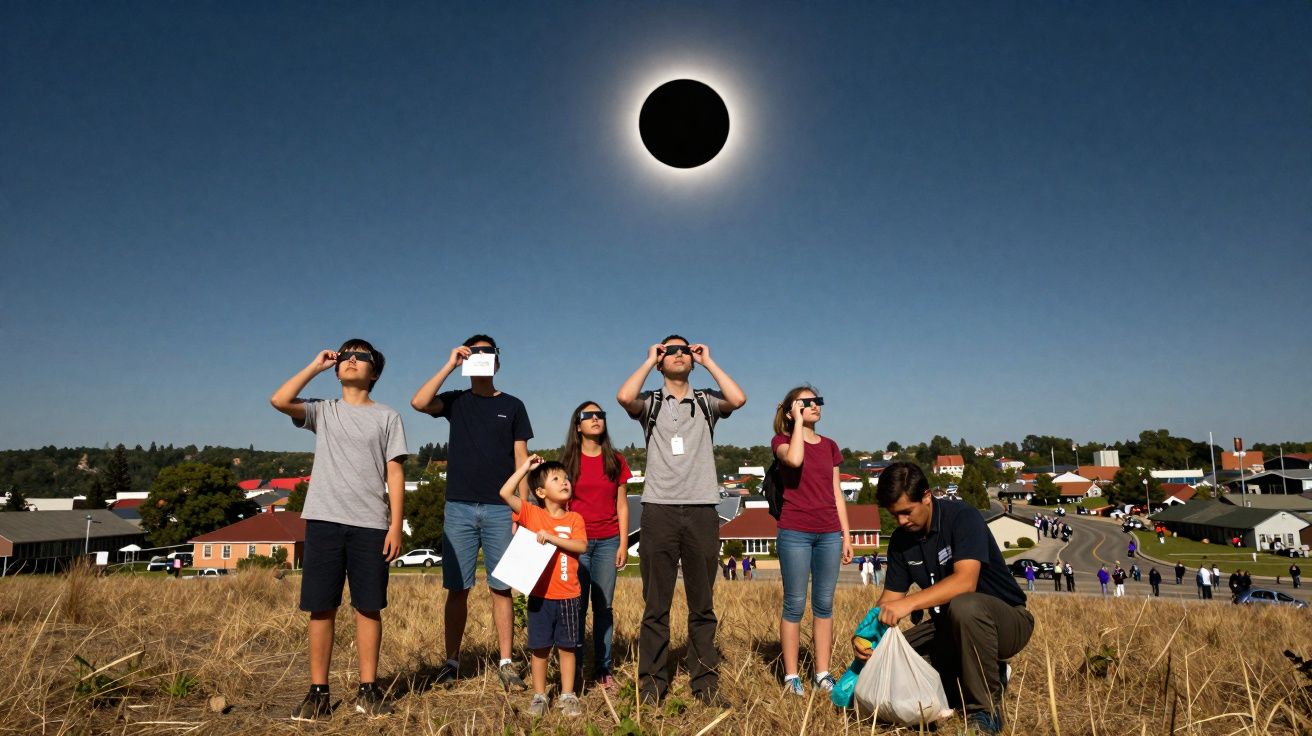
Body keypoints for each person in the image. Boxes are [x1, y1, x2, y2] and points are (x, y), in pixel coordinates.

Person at [270, 339, 409, 720]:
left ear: (374, 372)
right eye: (346, 355)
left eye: (361, 356)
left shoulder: (387, 417)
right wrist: (314, 366)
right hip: (324, 520)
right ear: (336, 369)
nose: (351, 360)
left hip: (370, 525)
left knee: (369, 607)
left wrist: (395, 526)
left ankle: (369, 688)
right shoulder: (324, 410)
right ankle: (318, 692)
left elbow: (395, 473)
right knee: (321, 607)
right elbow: (280, 401)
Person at [616, 336, 746, 707]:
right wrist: (647, 359)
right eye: (669, 350)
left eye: (683, 349)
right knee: (656, 604)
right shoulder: (652, 403)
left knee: (702, 604)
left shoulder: (705, 401)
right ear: (660, 362)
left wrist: (709, 361)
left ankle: (705, 682)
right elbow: (625, 397)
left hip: (704, 508)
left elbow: (738, 399)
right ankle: (652, 685)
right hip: (659, 509)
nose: (677, 354)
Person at [857, 462, 1032, 735]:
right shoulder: (902, 541)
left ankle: (985, 711)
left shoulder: (963, 518)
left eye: (907, 512)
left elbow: (966, 581)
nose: (902, 522)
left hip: (1006, 622)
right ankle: (983, 675)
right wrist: (868, 637)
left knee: (965, 606)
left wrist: (909, 603)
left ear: (926, 496)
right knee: (894, 657)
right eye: (895, 515)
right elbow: (890, 598)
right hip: (948, 625)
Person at [410, 335, 533, 689]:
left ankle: (506, 662)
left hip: (500, 508)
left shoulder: (513, 405)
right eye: (474, 353)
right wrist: (450, 363)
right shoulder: (455, 402)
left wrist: (522, 508)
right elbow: (418, 402)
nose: (481, 357)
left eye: (487, 353)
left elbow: (521, 458)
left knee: (502, 587)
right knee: (457, 588)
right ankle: (451, 661)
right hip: (459, 507)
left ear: (498, 362)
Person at [770, 386, 854, 696]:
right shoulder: (781, 442)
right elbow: (793, 460)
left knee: (824, 604)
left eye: (817, 400)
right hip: (795, 532)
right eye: (806, 402)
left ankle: (822, 673)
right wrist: (796, 425)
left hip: (829, 533)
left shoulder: (830, 446)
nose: (815, 405)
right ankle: (792, 676)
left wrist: (846, 535)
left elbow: (837, 494)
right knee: (794, 604)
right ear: (792, 409)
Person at [497, 456, 587, 717]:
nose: (565, 482)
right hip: (540, 596)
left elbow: (581, 546)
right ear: (540, 491)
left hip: (569, 595)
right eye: (556, 479)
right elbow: (504, 492)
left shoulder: (574, 520)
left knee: (568, 646)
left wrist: (552, 538)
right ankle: (539, 696)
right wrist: (526, 468)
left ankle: (568, 695)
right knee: (540, 648)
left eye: (566, 478)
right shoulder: (532, 514)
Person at [560, 400, 632, 692]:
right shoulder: (567, 462)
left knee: (604, 608)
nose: (595, 419)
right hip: (577, 544)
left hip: (608, 542)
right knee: (575, 608)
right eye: (587, 416)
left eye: (599, 415)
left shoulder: (615, 460)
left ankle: (603, 669)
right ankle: (574, 669)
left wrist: (623, 542)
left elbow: (623, 504)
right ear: (577, 425)